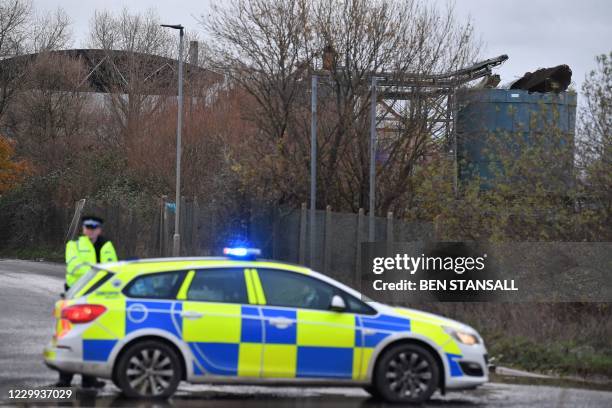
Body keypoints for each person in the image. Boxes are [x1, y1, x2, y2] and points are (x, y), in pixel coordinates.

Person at [57, 215, 118, 389]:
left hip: (97, 296)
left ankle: (89, 378)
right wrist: (97, 271)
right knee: (68, 336)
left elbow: (113, 267)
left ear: (100, 229)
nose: (90, 230)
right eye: (87, 227)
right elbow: (75, 268)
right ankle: (64, 378)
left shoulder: (106, 245)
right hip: (75, 296)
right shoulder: (74, 244)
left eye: (94, 227)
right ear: (83, 228)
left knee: (92, 336)